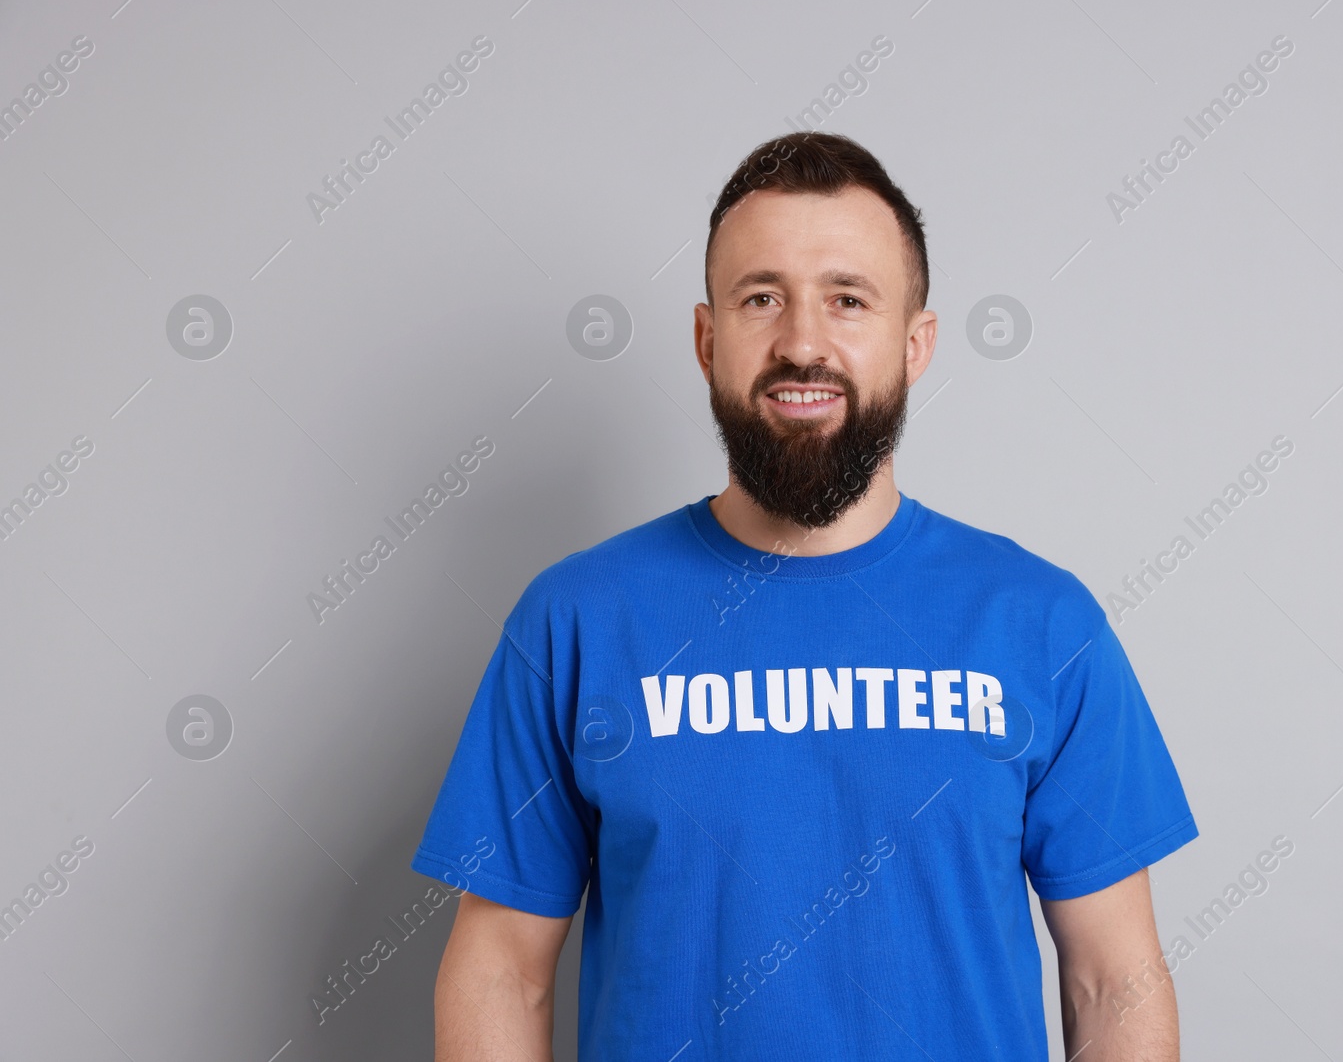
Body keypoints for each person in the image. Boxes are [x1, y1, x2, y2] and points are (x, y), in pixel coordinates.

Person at [413, 131, 1198, 1061]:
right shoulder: (576, 621)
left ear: (916, 345)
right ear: (709, 341)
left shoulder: (1042, 624)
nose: (801, 343)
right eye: (762, 298)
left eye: (848, 300)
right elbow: (502, 968)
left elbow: (1114, 980)